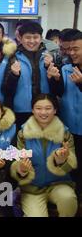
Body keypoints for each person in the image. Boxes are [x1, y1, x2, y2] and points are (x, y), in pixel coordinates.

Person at [10, 94, 77, 217]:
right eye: (38, 108)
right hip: (32, 189)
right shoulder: (22, 134)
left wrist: (61, 162)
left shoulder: (65, 134)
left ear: (55, 110)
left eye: (48, 108)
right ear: (32, 110)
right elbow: (17, 164)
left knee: (68, 199)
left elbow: (71, 167)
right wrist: (22, 170)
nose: (43, 112)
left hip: (59, 184)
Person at [47, 30, 82, 196]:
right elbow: (59, 93)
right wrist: (54, 79)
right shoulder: (66, 68)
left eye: (76, 49)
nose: (71, 53)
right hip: (69, 130)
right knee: (72, 167)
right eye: (69, 49)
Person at [2, 21, 52, 129]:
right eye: (28, 37)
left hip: (46, 110)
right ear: (20, 38)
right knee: (22, 143)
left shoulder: (50, 56)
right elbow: (6, 89)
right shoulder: (13, 57)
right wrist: (14, 75)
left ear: (41, 37)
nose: (32, 41)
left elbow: (58, 88)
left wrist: (50, 69)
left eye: (35, 37)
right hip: (22, 110)